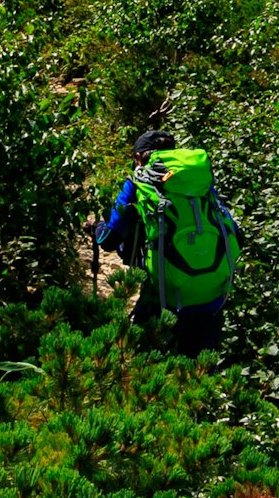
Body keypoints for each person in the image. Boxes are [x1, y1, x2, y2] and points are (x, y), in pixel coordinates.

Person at [96, 126, 240, 353]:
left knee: (148, 372)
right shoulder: (201, 182)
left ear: (137, 157)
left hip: (163, 299)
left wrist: (97, 227)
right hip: (212, 298)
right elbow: (235, 232)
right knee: (200, 376)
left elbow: (108, 239)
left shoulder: (138, 181)